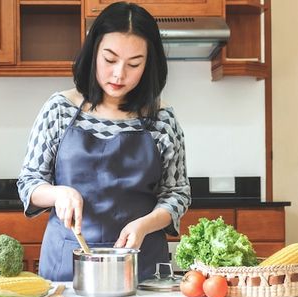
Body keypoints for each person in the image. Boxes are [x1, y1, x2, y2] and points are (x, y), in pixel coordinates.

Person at [17, 1, 191, 281]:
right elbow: (29, 182)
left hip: (140, 263)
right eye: (110, 59)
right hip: (67, 265)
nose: (119, 74)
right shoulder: (59, 109)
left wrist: (146, 224)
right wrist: (59, 193)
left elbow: (177, 193)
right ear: (93, 52)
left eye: (134, 63)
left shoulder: (163, 119)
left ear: (149, 64)